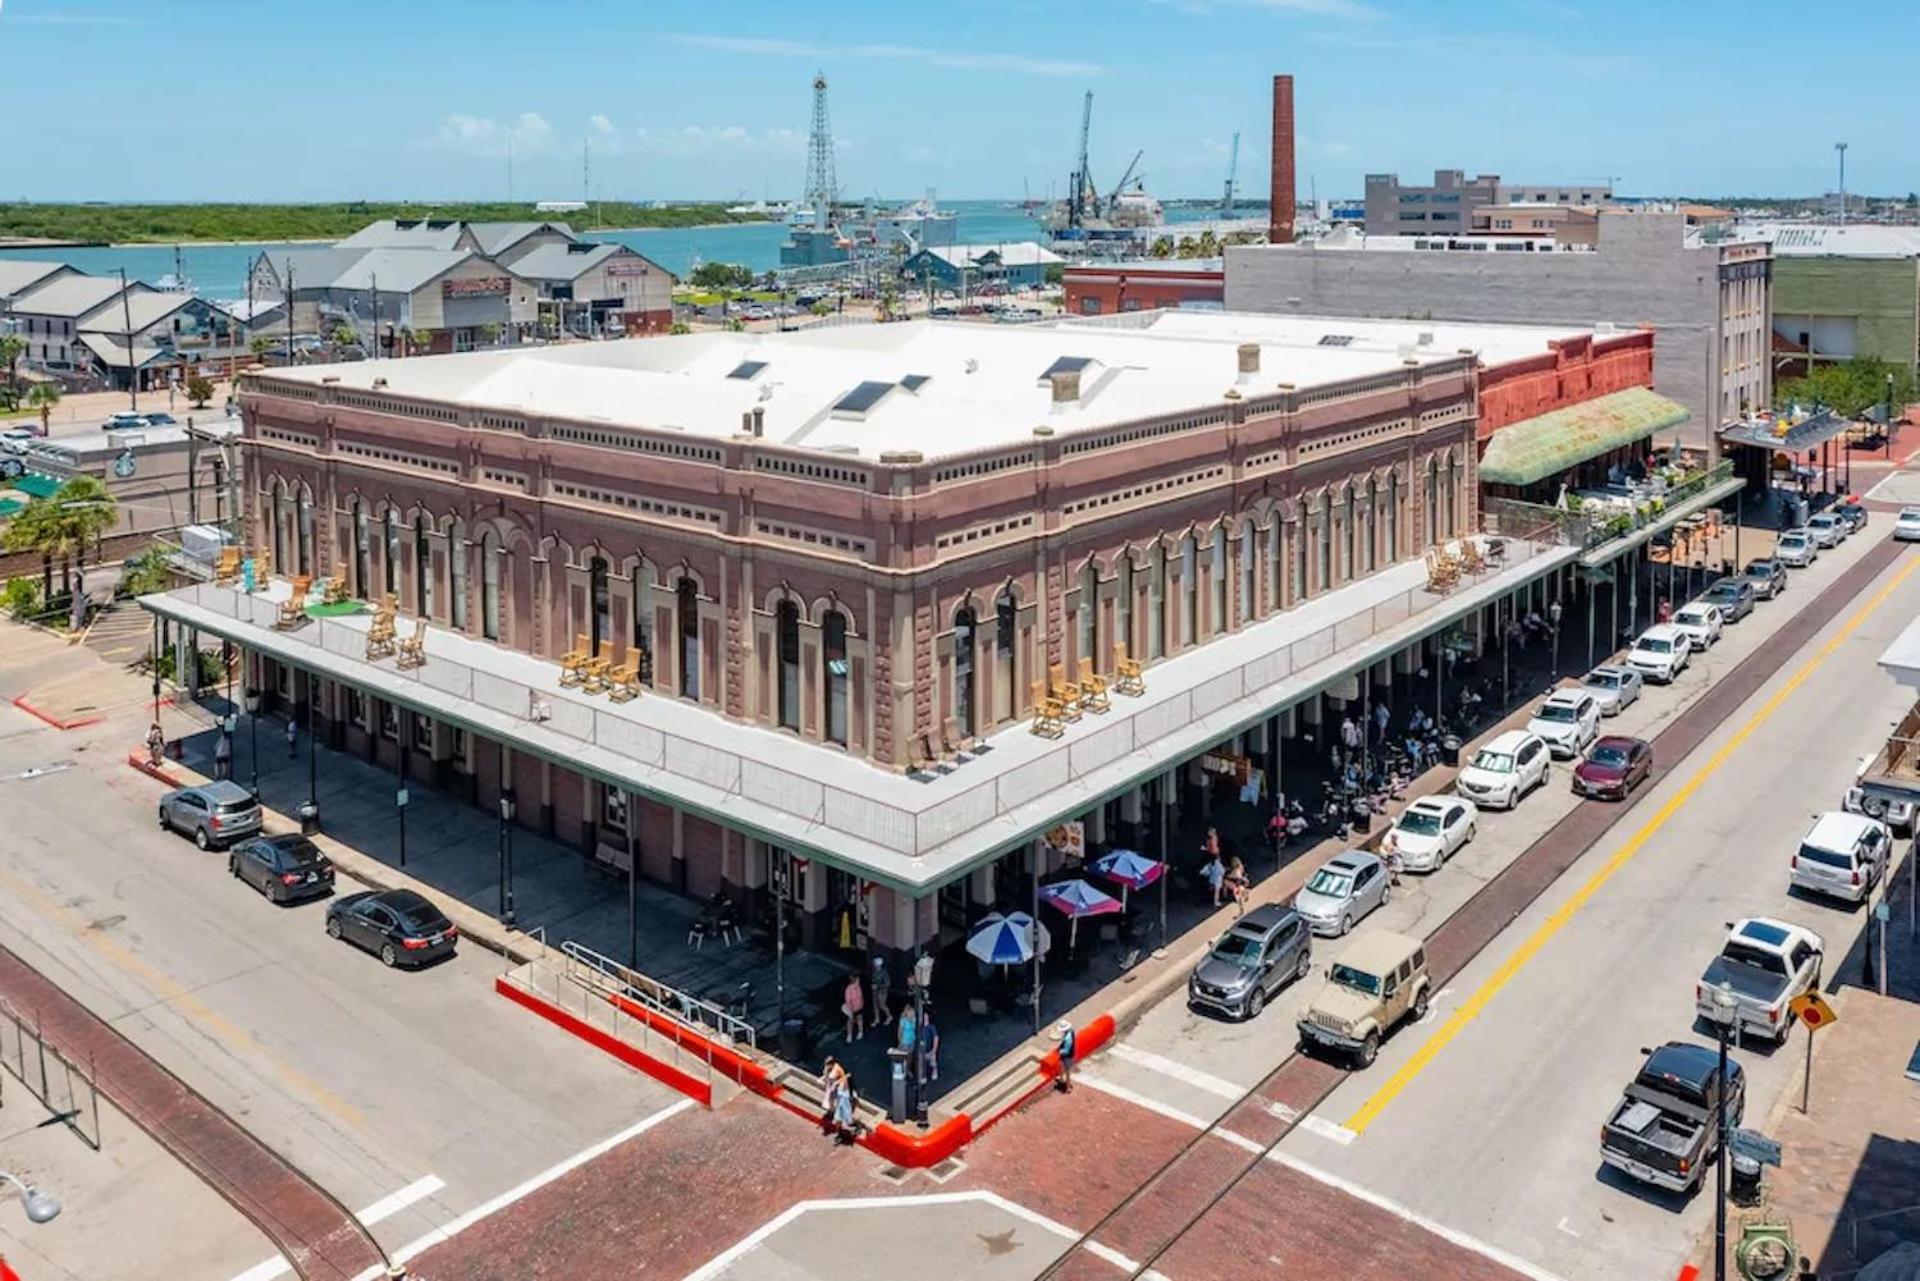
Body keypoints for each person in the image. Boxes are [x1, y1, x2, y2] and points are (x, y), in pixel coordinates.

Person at [868, 954, 893, 1028]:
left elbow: (888, 983)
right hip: (875, 991)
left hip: (882, 992)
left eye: (874, 963)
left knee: (882, 1005)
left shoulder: (884, 973)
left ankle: (889, 1016)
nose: (873, 964)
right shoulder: (875, 971)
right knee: (875, 1005)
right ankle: (877, 1019)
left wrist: (878, 986)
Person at [1054, 1019, 1077, 1093]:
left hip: (1067, 1056)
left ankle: (1067, 1088)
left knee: (1067, 1072)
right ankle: (1062, 1081)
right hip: (1069, 1054)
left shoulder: (1067, 1039)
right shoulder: (1071, 1032)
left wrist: (1059, 1051)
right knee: (1062, 1067)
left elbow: (1066, 1050)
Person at [842, 972, 866, 1042]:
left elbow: (861, 996)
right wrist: (851, 1012)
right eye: (858, 980)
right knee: (850, 1021)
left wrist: (862, 1003)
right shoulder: (848, 990)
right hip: (852, 1009)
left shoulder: (858, 986)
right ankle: (849, 1035)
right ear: (854, 981)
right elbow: (848, 1001)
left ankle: (860, 1032)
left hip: (859, 1007)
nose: (859, 981)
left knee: (860, 1019)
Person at [920, 1009, 940, 1082]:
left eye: (926, 1017)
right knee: (922, 1064)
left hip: (930, 1049)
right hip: (922, 1050)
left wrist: (934, 1050)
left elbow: (936, 1037)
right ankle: (923, 1076)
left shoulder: (931, 1027)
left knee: (933, 1063)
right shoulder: (920, 1027)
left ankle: (934, 1072)